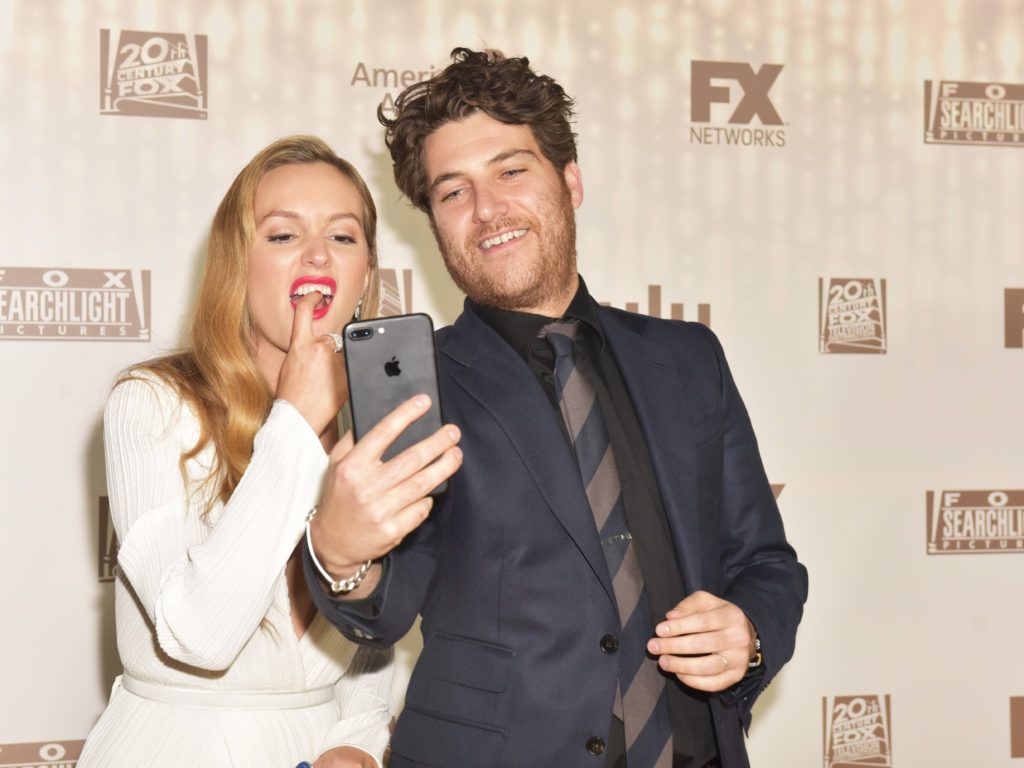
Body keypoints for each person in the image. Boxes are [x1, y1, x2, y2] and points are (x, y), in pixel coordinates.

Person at [304, 50, 808, 768]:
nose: (486, 210)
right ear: (433, 223)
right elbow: (385, 608)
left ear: (569, 181)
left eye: (511, 171)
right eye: (453, 192)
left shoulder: (690, 359)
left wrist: (750, 631)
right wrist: (340, 552)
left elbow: (765, 563)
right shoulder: (418, 384)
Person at [79, 135, 462, 768]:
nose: (317, 255)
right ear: (237, 261)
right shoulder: (150, 402)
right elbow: (199, 634)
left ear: (366, 270)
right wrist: (294, 421)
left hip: (312, 745)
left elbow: (371, 618)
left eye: (343, 237)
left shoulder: (377, 421)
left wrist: (357, 740)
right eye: (283, 236)